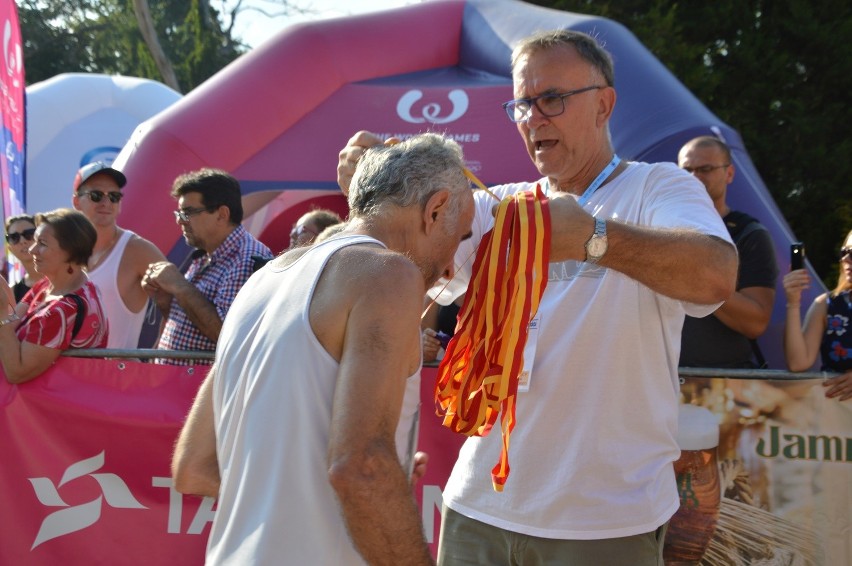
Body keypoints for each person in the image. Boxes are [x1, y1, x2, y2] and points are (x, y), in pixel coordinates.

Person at [337, 30, 737, 566]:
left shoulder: (658, 188)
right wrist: (376, 186)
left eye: (551, 99)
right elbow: (404, 251)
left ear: (604, 104)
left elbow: (716, 276)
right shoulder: (497, 206)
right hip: (479, 505)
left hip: (606, 520)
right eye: (521, 104)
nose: (533, 118)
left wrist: (595, 239)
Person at [171, 133, 475, 565]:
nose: (451, 267)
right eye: (461, 238)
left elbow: (194, 467)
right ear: (436, 209)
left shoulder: (263, 278)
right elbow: (361, 468)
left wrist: (383, 475)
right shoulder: (390, 272)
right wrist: (374, 479)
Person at [143, 168, 272, 365]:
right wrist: (166, 301)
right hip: (179, 387)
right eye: (178, 213)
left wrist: (179, 285)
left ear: (222, 214)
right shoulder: (207, 253)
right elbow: (191, 323)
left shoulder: (246, 258)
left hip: (199, 391)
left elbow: (227, 336)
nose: (179, 220)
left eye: (188, 213)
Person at [677, 136, 778, 368]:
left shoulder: (749, 234)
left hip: (722, 389)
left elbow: (756, 322)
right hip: (658, 380)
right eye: (687, 170)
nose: (695, 177)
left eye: (706, 169)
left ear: (729, 173)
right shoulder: (655, 228)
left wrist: (697, 278)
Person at [0, 208, 108, 383]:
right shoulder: (50, 284)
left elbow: (17, 372)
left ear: (71, 251)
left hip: (52, 407)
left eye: (42, 243)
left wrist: (2, 312)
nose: (32, 250)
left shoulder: (62, 310)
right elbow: (12, 324)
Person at [72, 161, 167, 349]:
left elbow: (180, 302)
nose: (106, 203)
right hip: (69, 374)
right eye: (96, 195)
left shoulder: (137, 249)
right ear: (76, 202)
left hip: (117, 375)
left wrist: (159, 353)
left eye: (114, 196)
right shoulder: (67, 249)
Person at [783, 230, 852, 401]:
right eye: (844, 252)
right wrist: (793, 302)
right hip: (836, 418)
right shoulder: (827, 304)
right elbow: (798, 363)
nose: (845, 259)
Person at [4, 214, 44, 302]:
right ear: (10, 248)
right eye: (14, 237)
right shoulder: (12, 293)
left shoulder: (63, 278)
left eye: (29, 234)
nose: (22, 241)